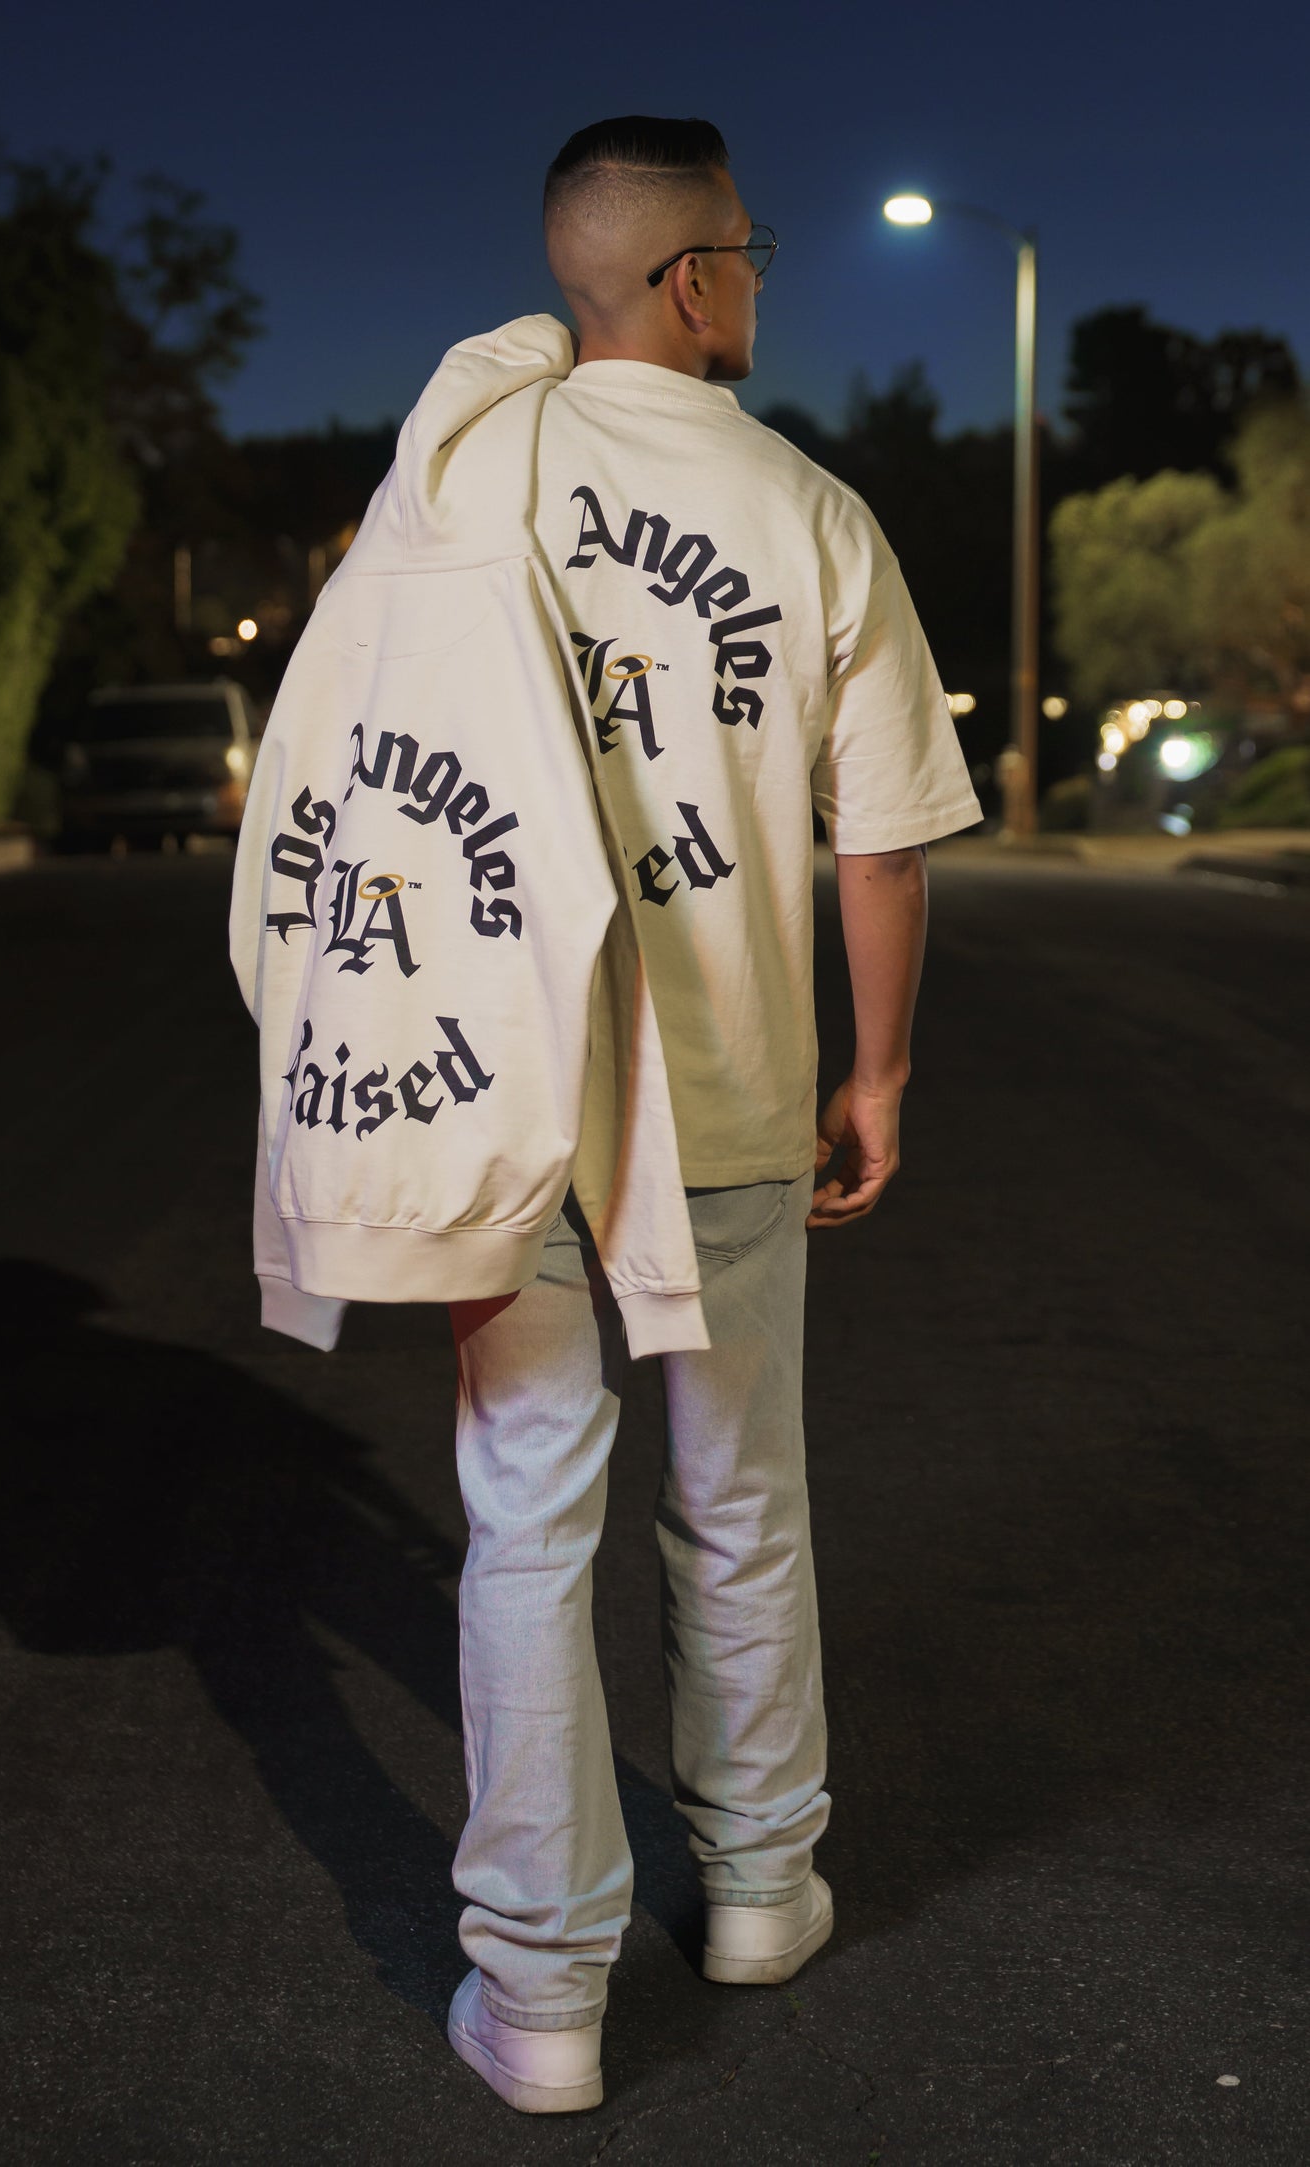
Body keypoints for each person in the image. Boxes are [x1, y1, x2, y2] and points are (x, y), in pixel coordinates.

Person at [443, 116, 981, 2114]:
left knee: (525, 1518)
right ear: (693, 280)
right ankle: (762, 1886)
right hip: (729, 1085)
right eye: (748, 249)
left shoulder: (461, 479)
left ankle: (545, 1993)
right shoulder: (809, 509)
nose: (759, 279)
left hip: (506, 1088)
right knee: (736, 1495)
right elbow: (888, 840)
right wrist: (877, 1071)